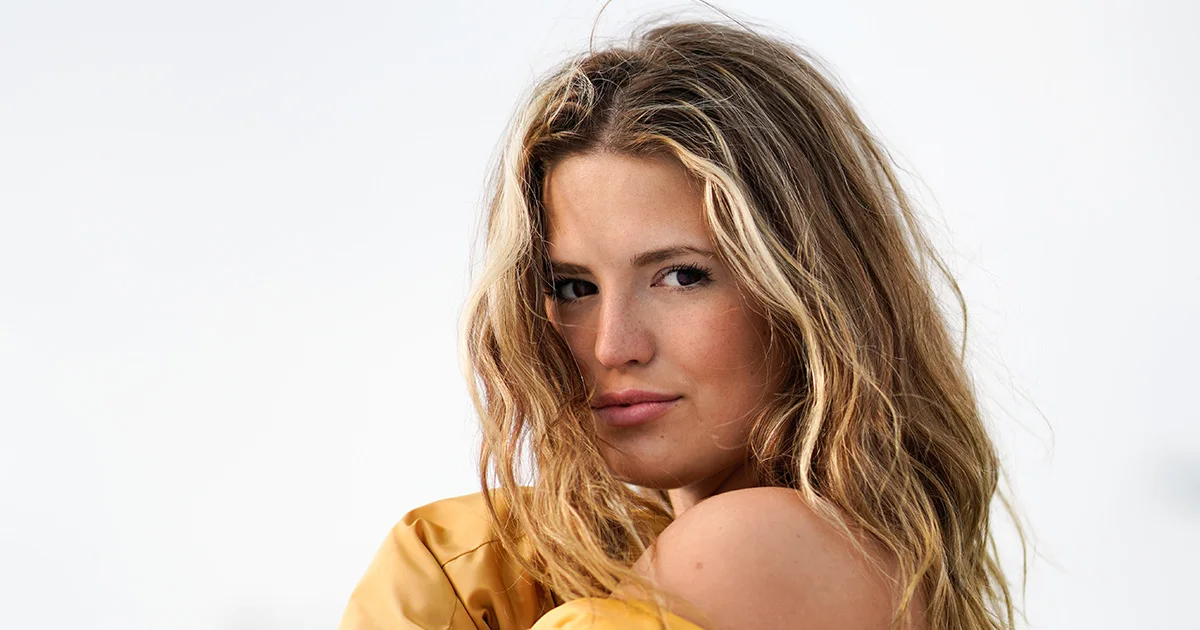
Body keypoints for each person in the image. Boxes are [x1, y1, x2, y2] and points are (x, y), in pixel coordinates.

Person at [337, 16, 1023, 630]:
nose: (614, 346)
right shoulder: (838, 550)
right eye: (573, 287)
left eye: (681, 276)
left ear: (811, 291)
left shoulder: (758, 545)